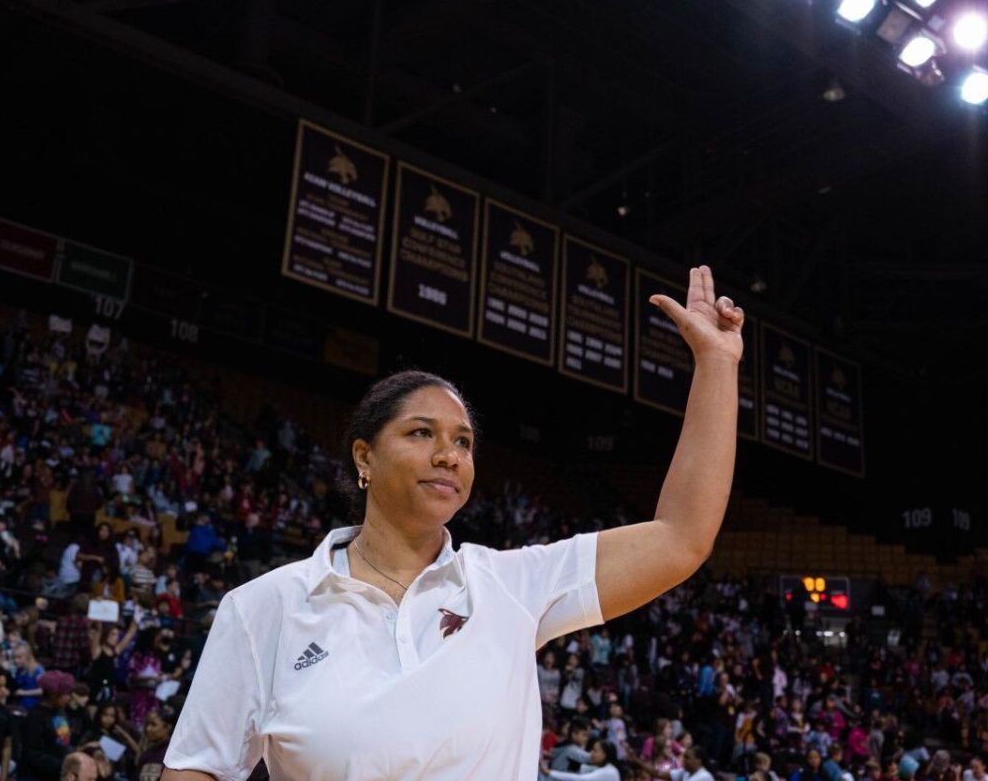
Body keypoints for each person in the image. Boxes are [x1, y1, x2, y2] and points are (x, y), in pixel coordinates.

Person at [159, 267, 745, 781]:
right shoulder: (264, 608)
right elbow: (196, 768)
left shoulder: (513, 587)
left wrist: (716, 365)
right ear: (364, 457)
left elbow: (680, 538)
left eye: (463, 442)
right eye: (422, 433)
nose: (449, 455)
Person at [19, 671, 78, 781]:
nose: (69, 697)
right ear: (53, 694)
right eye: (66, 694)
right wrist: (63, 765)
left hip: (57, 774)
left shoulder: (60, 712)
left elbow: (64, 741)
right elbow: (32, 753)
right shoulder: (35, 716)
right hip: (34, 776)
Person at [541, 739, 621, 781]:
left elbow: (581, 779)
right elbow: (581, 771)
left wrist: (551, 772)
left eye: (595, 751)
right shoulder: (603, 768)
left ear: (605, 755)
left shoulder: (609, 772)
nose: (591, 753)